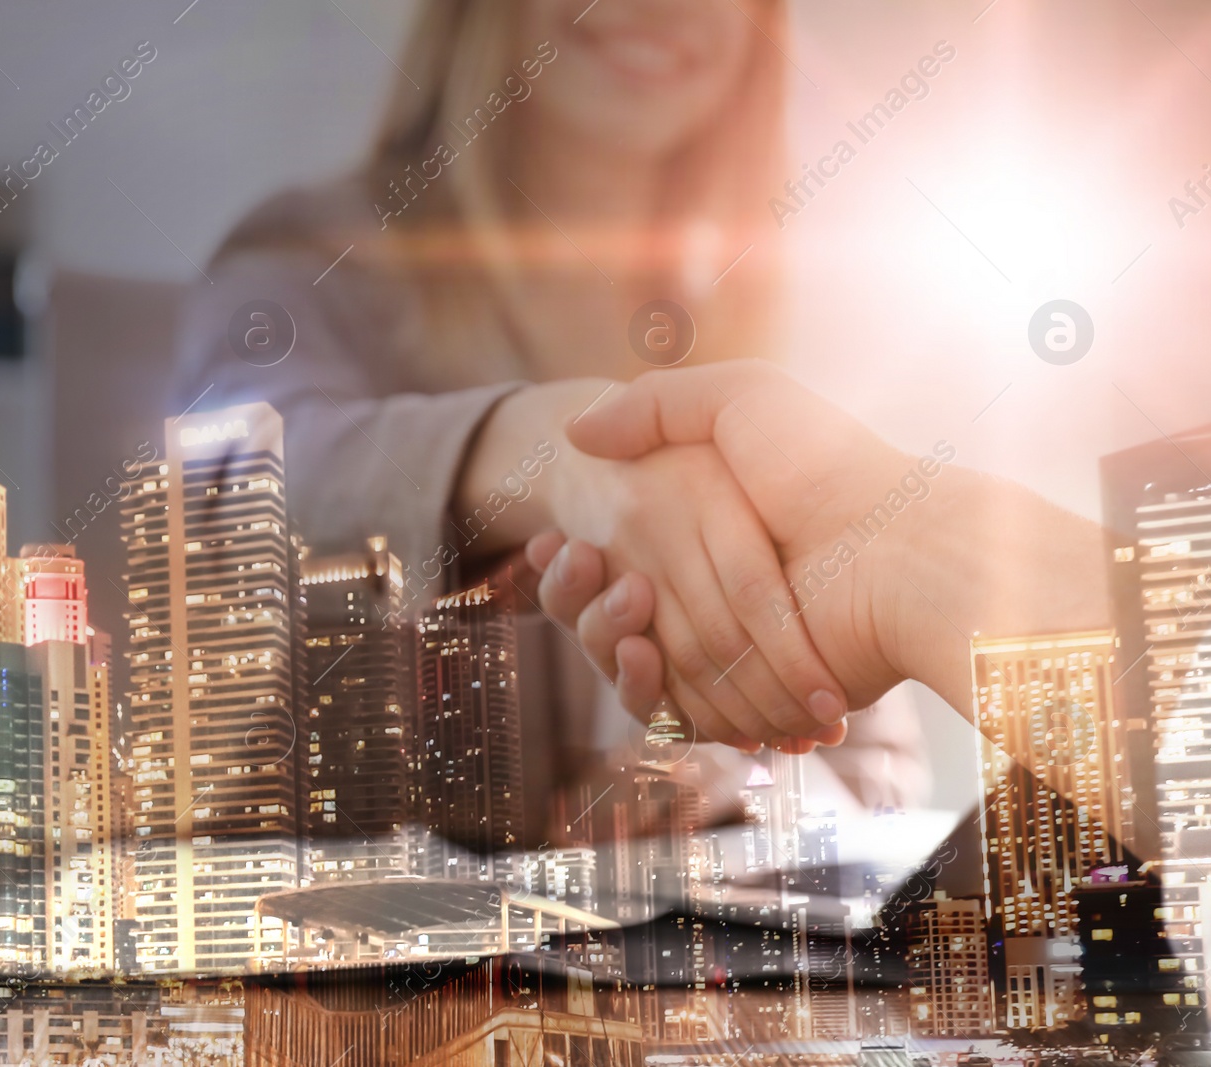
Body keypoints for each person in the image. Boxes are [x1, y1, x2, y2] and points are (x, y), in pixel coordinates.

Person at [172, 0, 941, 838]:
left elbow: (883, 770)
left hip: (676, 957)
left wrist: (731, 779)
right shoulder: (310, 253)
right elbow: (230, 488)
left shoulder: (752, 337)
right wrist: (547, 450)